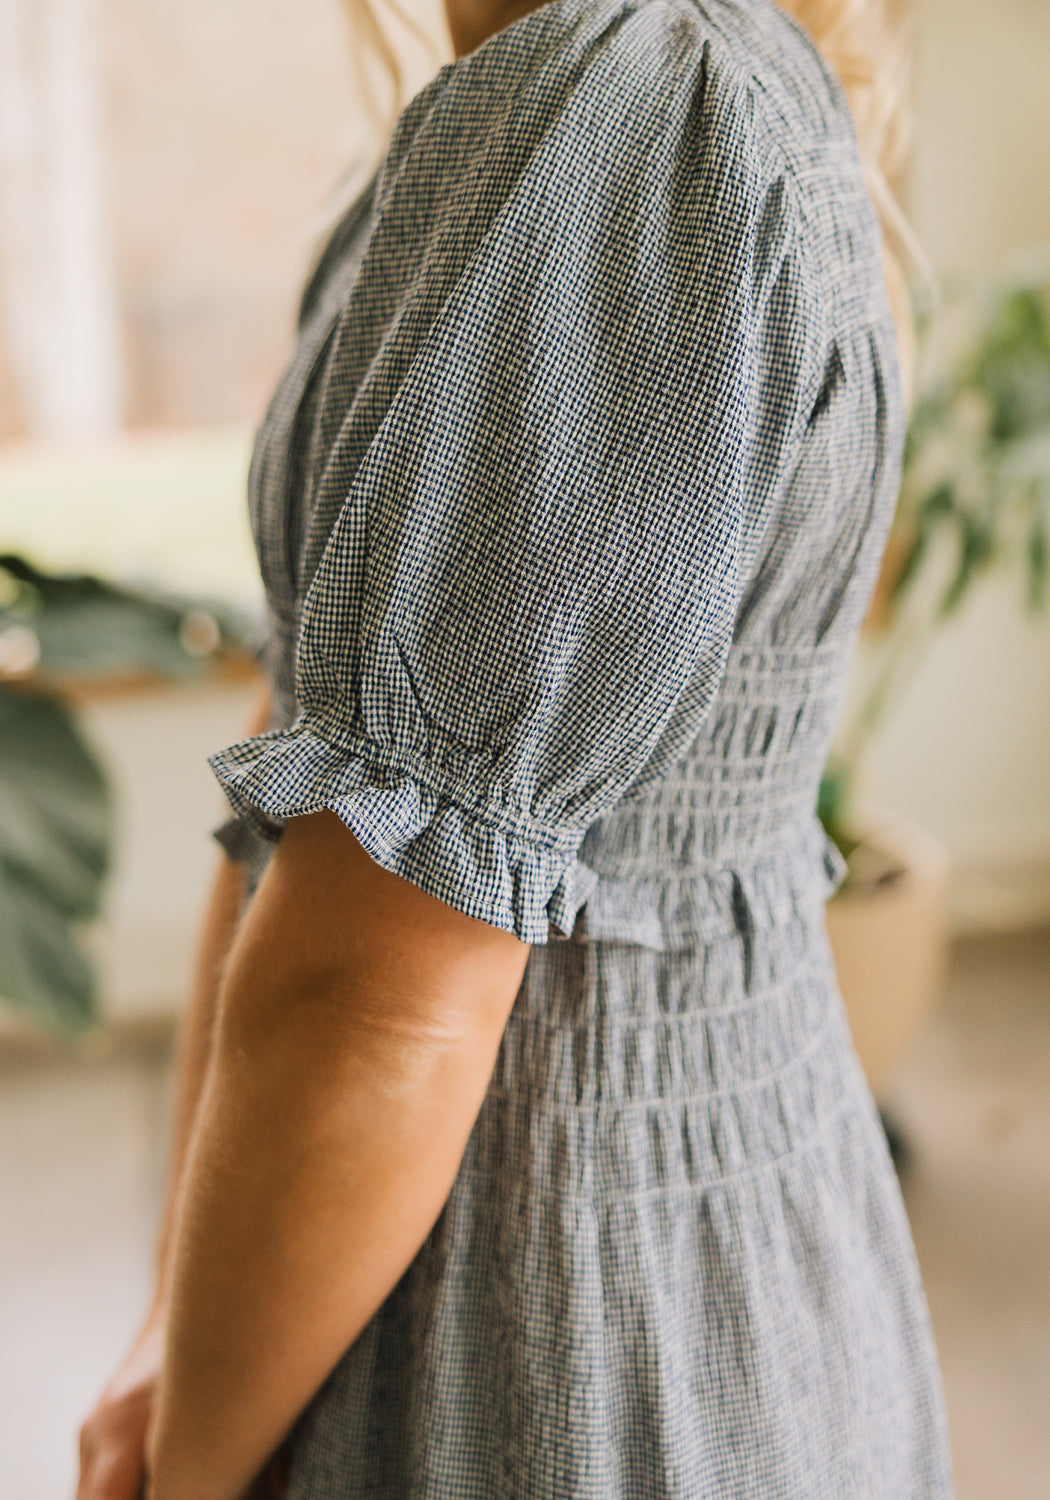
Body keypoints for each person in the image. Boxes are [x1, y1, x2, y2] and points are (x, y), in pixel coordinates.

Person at [77, 0, 955, 1495]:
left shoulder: (630, 110)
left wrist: (189, 1464)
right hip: (522, 1261)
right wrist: (178, 1321)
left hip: (557, 1312)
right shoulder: (527, 109)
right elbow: (305, 768)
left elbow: (378, 998)